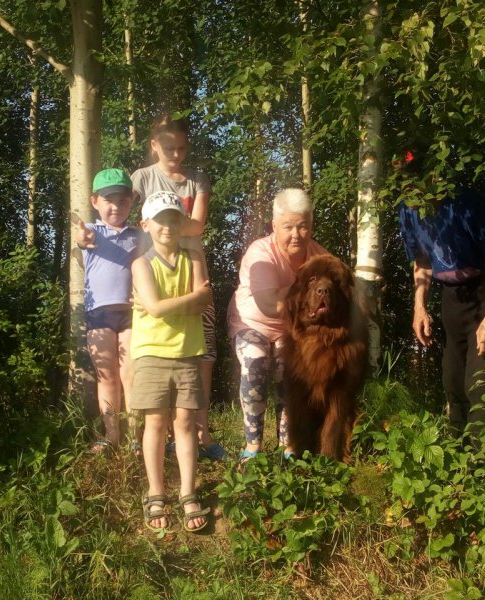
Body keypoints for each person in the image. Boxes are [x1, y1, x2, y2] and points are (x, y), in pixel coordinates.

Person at [396, 151, 485, 455]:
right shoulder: (407, 210)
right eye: (402, 186)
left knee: (479, 384)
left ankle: (483, 470)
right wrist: (418, 307)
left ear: (433, 180)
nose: (407, 194)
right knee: (453, 381)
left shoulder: (466, 205)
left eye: (413, 186)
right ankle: (456, 463)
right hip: (451, 297)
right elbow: (422, 261)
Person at [131, 114, 228, 461]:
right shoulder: (141, 177)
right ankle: (158, 433)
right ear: (154, 145)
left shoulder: (198, 178)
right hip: (154, 273)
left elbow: (198, 226)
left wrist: (163, 226)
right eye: (168, 147)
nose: (175, 154)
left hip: (192, 268)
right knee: (155, 352)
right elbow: (126, 218)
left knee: (201, 352)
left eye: (182, 148)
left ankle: (200, 432)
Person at [130, 190, 212, 533]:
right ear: (146, 224)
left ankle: (188, 491)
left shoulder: (193, 258)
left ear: (183, 223)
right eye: (161, 219)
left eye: (174, 218)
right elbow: (155, 307)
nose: (168, 226)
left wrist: (177, 302)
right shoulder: (140, 264)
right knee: (155, 425)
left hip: (188, 352)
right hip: (150, 353)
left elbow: (202, 304)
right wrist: (193, 297)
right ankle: (156, 493)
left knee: (185, 424)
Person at [227, 188, 329, 462]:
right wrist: (308, 296)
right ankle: (252, 448)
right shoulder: (260, 252)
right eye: (288, 227)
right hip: (252, 323)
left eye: (303, 226)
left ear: (311, 225)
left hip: (291, 329)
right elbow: (269, 305)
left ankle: (290, 447)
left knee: (291, 372)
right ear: (275, 226)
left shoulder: (320, 257)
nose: (296, 234)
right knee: (256, 362)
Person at [73, 168, 139, 454]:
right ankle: (112, 436)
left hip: (133, 313)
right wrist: (82, 236)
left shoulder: (140, 235)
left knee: (132, 374)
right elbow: (81, 238)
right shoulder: (92, 231)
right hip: (99, 313)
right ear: (94, 201)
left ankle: (138, 437)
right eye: (108, 200)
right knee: (107, 376)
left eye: (122, 200)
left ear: (131, 201)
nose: (116, 206)